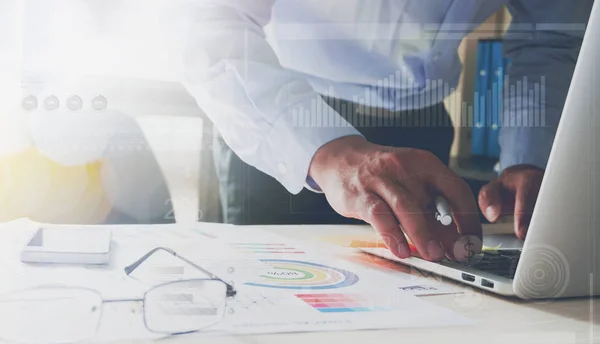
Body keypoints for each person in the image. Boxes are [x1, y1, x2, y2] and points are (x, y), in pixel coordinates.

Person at [181, 0, 593, 262]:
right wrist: (328, 152)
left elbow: (548, 41)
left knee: (423, 312)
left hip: (423, 137)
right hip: (286, 130)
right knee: (269, 312)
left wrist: (529, 156)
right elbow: (210, 18)